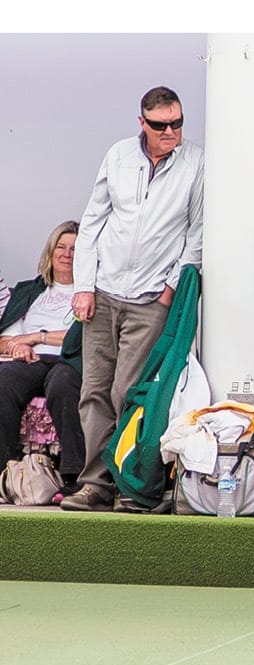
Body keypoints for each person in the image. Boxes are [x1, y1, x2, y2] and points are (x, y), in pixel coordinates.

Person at [62, 86, 204, 513]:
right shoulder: (119, 154)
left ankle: (132, 484)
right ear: (141, 122)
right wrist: (83, 286)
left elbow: (197, 233)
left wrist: (168, 293)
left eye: (177, 123)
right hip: (103, 293)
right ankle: (95, 485)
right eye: (161, 125)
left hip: (149, 298)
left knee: (131, 393)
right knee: (94, 393)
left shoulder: (196, 161)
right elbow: (93, 221)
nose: (171, 132)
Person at [0, 221, 84, 493]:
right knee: (4, 382)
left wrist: (37, 337)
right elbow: (5, 337)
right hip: (31, 360)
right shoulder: (29, 291)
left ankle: (74, 475)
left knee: (63, 384)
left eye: (75, 248)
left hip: (69, 358)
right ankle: (5, 470)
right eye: (61, 247)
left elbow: (82, 336)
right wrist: (17, 347)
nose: (67, 254)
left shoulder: (90, 294)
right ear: (50, 252)